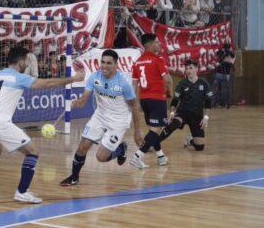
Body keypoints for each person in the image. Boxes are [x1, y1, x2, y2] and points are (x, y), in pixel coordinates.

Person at [0, 46, 85, 203]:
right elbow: (47, 84)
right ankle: (22, 192)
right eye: (27, 60)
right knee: (32, 152)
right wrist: (73, 79)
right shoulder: (17, 78)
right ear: (21, 62)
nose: (28, 62)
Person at [60, 50, 142, 186]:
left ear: (116, 64)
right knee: (82, 147)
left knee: (101, 157)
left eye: (109, 63)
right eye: (102, 62)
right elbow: (85, 97)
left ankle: (121, 149)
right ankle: (74, 178)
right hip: (100, 116)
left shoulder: (124, 83)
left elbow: (134, 106)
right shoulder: (94, 77)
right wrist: (79, 101)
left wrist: (137, 131)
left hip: (118, 121)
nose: (104, 66)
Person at [130, 33, 173, 169]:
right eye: (156, 42)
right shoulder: (157, 59)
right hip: (156, 98)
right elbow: (167, 79)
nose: (159, 44)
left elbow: (134, 85)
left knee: (154, 128)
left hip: (144, 99)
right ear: (148, 45)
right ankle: (137, 157)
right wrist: (169, 92)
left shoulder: (137, 62)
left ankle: (160, 156)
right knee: (155, 129)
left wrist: (136, 102)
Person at [159, 59, 213, 151]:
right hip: (183, 113)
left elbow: (208, 102)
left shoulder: (204, 83)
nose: (188, 70)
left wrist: (206, 118)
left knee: (200, 147)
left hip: (197, 115)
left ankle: (190, 140)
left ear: (196, 69)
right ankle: (154, 143)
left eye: (191, 68)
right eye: (186, 68)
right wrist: (172, 113)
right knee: (174, 124)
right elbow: (175, 101)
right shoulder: (182, 83)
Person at [213, 44, 235, 108]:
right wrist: (223, 54)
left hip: (226, 74)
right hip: (219, 73)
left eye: (227, 49)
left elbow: (231, 59)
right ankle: (217, 103)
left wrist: (227, 54)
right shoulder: (222, 53)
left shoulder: (231, 55)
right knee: (217, 89)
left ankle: (225, 103)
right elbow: (218, 56)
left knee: (225, 89)